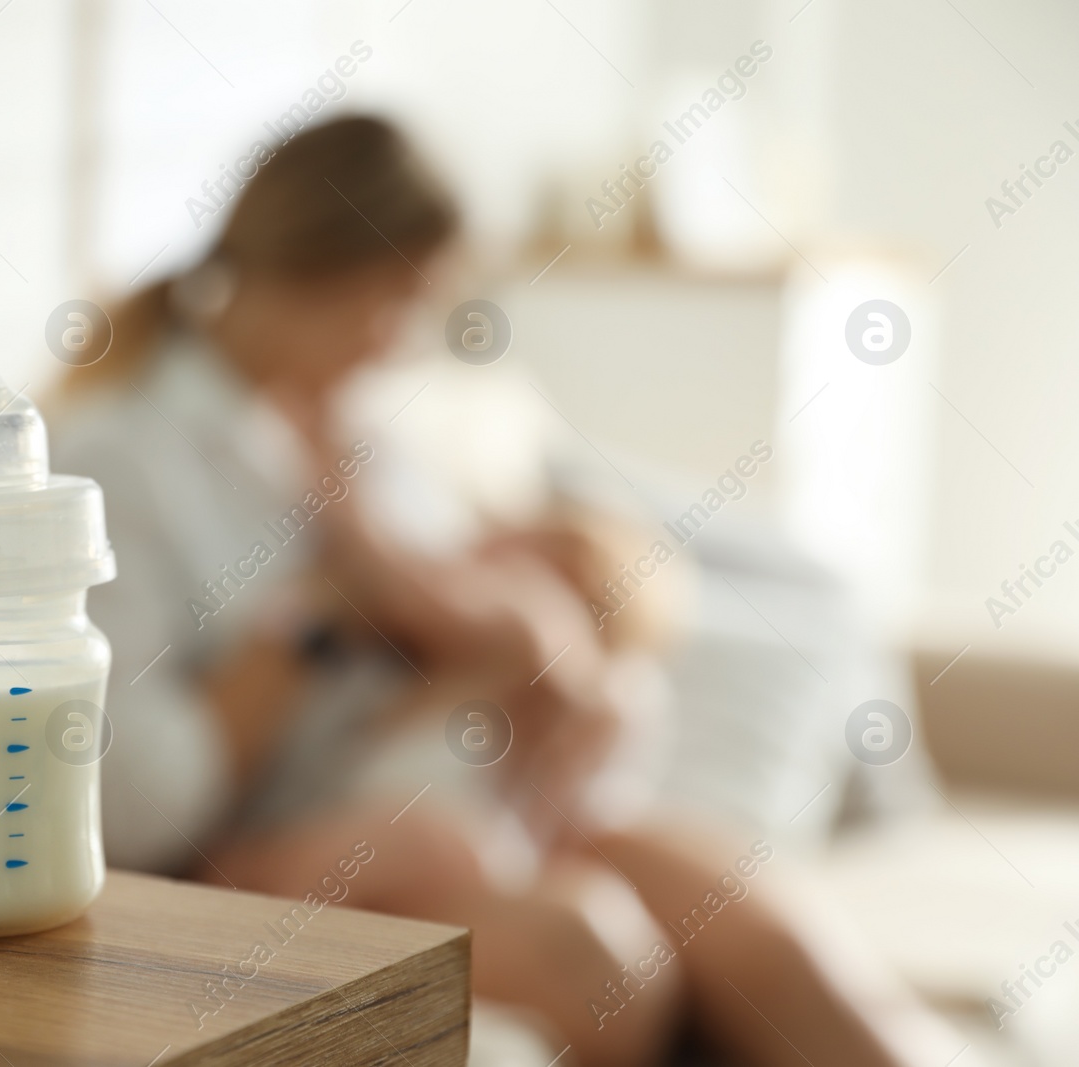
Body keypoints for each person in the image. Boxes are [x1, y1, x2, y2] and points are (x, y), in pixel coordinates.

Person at [50, 116, 970, 1067]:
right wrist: (319, 622)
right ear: (331, 271)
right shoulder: (125, 462)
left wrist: (572, 680)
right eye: (398, 301)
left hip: (477, 800)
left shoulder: (364, 438)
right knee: (599, 958)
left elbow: (474, 598)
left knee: (770, 935)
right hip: (297, 849)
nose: (400, 340)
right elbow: (132, 800)